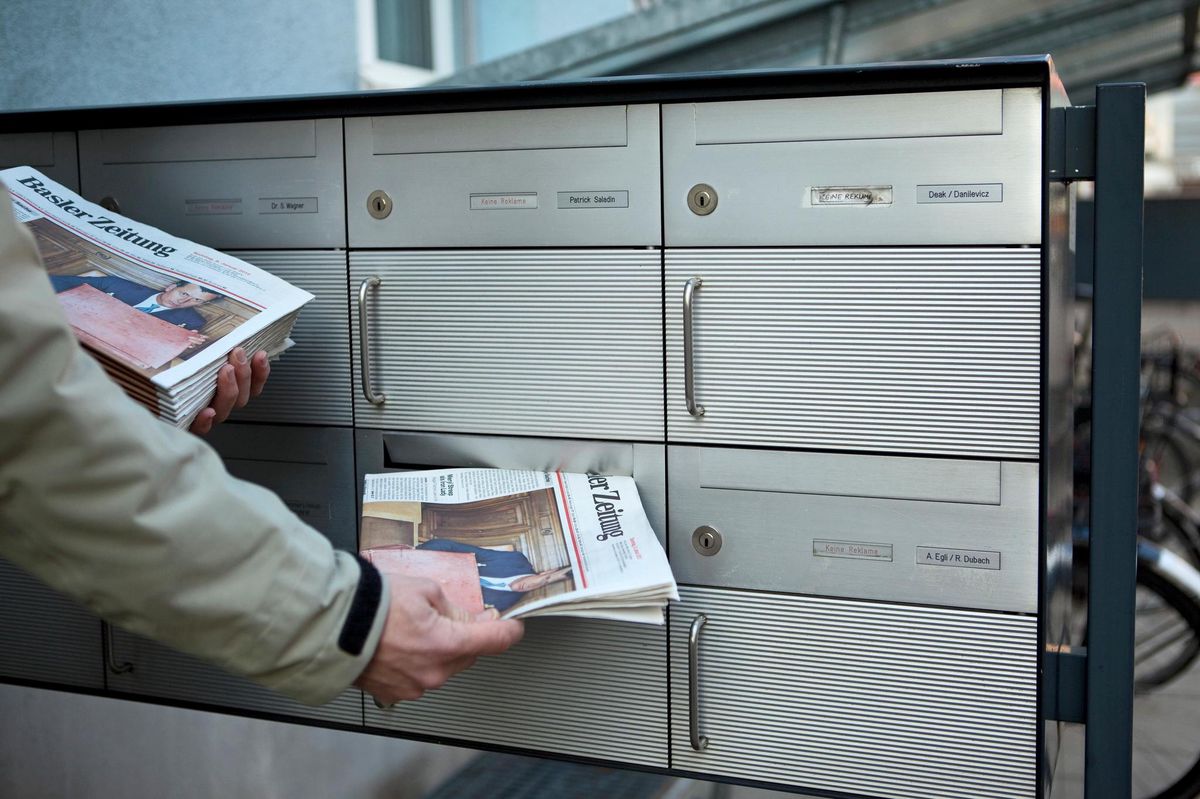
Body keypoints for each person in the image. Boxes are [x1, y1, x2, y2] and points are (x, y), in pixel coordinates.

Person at [0, 185, 523, 708]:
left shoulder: (186, 326)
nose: (187, 300)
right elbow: (41, 427)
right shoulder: (91, 284)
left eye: (197, 297)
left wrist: (128, 407)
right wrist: (343, 619)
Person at [51, 274, 218, 349]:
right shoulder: (117, 285)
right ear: (171, 287)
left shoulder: (192, 322)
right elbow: (58, 281)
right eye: (184, 293)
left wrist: (182, 344)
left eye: (197, 300)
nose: (183, 301)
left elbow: (156, 348)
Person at [418, 538, 574, 612]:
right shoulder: (514, 561)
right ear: (547, 572)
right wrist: (418, 561)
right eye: (545, 579)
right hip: (422, 568)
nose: (532, 586)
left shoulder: (505, 604)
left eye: (545, 585)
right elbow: (447, 545)